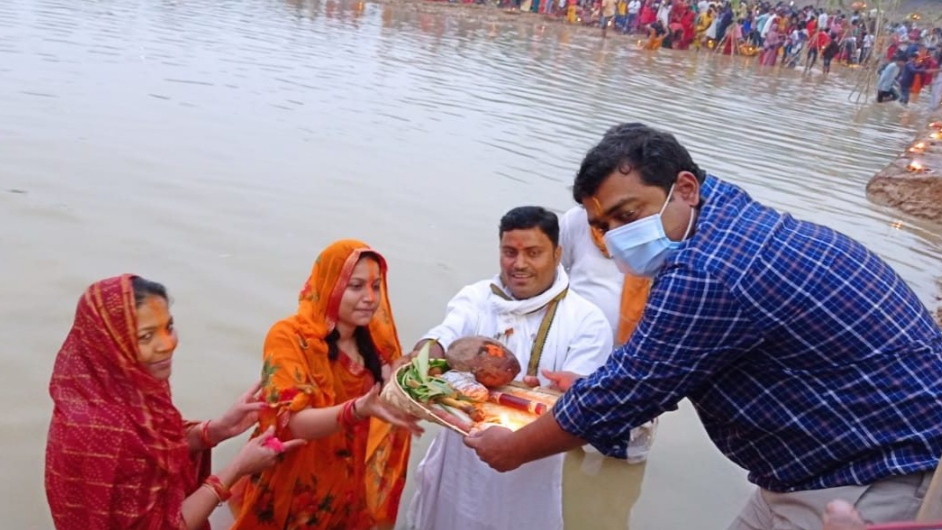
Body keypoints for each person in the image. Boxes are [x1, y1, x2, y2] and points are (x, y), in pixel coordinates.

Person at [465, 123, 942, 530]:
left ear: (686, 188)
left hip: (877, 470)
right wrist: (595, 388)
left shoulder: (707, 268)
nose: (616, 237)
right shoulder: (729, 220)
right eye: (603, 225)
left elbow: (634, 387)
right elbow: (657, 369)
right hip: (814, 465)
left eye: (628, 215)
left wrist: (516, 448)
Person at [407, 206, 613, 530]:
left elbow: (582, 410)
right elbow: (444, 335)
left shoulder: (586, 320)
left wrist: (551, 396)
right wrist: (424, 357)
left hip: (530, 471)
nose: (519, 265)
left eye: (533, 253)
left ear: (557, 254)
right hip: (459, 464)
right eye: (509, 252)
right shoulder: (476, 298)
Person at [45, 275, 303, 530]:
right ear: (109, 345)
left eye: (168, 328)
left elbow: (152, 449)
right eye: (146, 337)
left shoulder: (116, 389)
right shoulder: (105, 429)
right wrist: (236, 469)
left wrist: (216, 430)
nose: (167, 345)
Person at [231, 240, 421, 530]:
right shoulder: (289, 338)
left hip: (346, 481)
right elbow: (291, 423)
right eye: (356, 286)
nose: (370, 298)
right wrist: (356, 409)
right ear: (331, 285)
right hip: (293, 482)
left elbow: (387, 386)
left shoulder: (373, 340)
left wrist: (416, 381)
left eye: (375, 286)